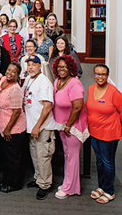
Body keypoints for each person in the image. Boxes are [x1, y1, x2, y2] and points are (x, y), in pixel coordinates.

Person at [52, 55, 89, 199]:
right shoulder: (58, 81)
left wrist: (68, 125)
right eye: (59, 67)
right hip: (62, 126)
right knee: (67, 155)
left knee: (72, 157)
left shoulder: (75, 83)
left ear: (71, 68)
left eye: (65, 67)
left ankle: (70, 188)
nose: (62, 69)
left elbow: (77, 107)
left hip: (72, 126)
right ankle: (70, 183)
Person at [86, 64, 122, 204]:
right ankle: (101, 186)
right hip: (94, 131)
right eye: (97, 74)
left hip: (109, 133)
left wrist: (115, 125)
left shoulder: (114, 92)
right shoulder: (90, 88)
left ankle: (109, 191)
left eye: (103, 74)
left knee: (108, 162)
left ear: (107, 76)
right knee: (99, 161)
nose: (100, 77)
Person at [23, 54, 57, 201]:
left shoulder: (44, 81)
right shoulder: (30, 79)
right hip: (32, 126)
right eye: (28, 64)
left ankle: (45, 185)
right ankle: (38, 179)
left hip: (43, 127)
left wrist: (37, 126)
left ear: (39, 66)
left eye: (33, 64)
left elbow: (47, 106)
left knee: (43, 156)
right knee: (35, 155)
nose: (30, 67)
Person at [0, 62, 26, 193]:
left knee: (13, 157)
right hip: (2, 124)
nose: (10, 73)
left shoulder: (16, 90)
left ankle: (14, 183)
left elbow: (17, 112)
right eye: (9, 70)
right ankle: (6, 179)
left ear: (18, 75)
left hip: (13, 128)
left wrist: (8, 129)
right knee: (6, 155)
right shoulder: (3, 79)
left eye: (14, 72)